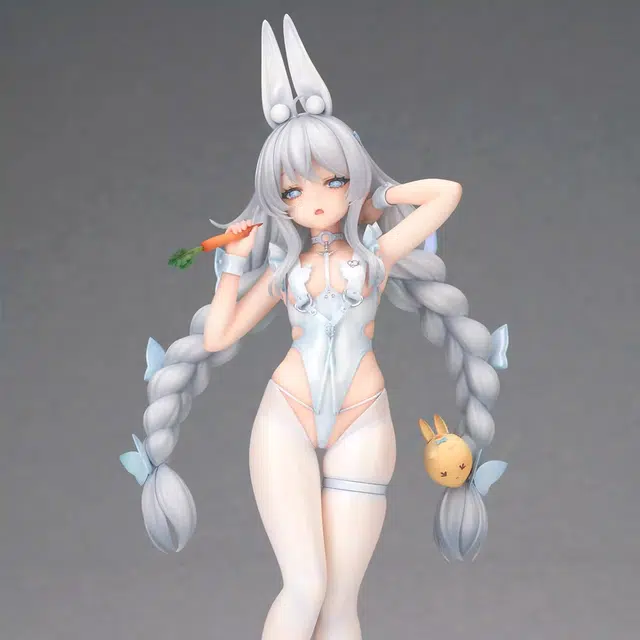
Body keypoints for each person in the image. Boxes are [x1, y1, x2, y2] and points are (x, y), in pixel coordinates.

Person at [120, 15, 509, 640]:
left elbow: (446, 193)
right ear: (278, 199)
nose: (317, 198)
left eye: (334, 179)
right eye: (293, 189)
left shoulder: (375, 256)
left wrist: (380, 196)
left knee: (340, 605)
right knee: (304, 587)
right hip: (286, 416)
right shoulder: (284, 272)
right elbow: (218, 338)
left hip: (364, 421)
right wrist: (233, 265)